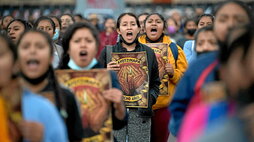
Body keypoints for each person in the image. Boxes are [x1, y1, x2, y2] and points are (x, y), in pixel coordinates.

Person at [169, 0, 252, 138]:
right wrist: (189, 132)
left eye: (238, 19)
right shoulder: (199, 65)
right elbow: (179, 106)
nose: (231, 25)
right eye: (223, 19)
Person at [58, 22, 127, 141]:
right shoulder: (56, 77)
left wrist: (119, 106)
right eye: (77, 41)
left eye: (88, 41)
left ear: (96, 48)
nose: (83, 45)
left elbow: (118, 124)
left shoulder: (108, 76)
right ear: (68, 48)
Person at [99, 13, 160, 142]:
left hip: (141, 114)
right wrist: (106, 72)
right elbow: (96, 83)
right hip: (115, 112)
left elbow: (155, 83)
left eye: (133, 24)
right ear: (118, 30)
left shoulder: (148, 52)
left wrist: (150, 99)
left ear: (139, 28)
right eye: (125, 25)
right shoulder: (108, 52)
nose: (129, 28)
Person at [17, 29, 84, 142]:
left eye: (40, 46)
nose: (32, 51)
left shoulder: (66, 97)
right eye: (26, 46)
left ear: (51, 58)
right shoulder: (5, 98)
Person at [0, 33, 67, 142]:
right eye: (26, 46)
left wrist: (42, 139)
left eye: (0, 53)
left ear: (15, 63)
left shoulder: (43, 109)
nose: (32, 51)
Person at [138, 13, 188, 142]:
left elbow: (185, 80)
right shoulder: (133, 48)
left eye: (158, 22)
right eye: (150, 22)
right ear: (144, 27)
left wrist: (173, 73)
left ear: (164, 28)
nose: (154, 24)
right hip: (138, 106)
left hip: (163, 108)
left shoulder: (175, 49)